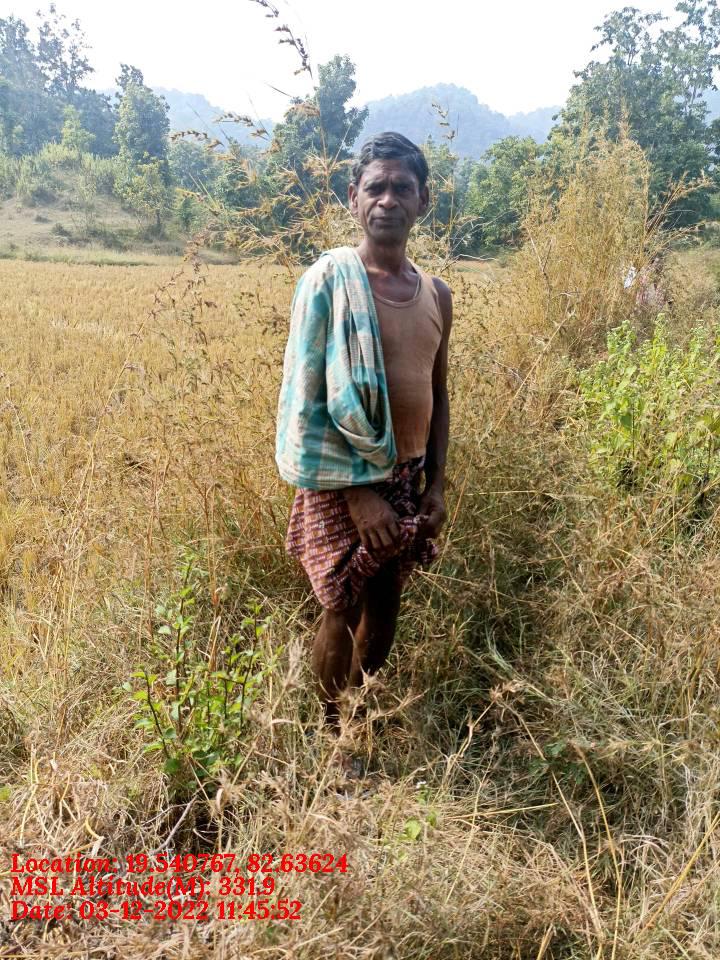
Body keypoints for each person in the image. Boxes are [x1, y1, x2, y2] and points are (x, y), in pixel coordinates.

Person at [276, 131, 453, 729]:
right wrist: (358, 495)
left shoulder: (436, 295)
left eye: (403, 188)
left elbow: (438, 393)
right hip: (341, 478)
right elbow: (305, 400)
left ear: (423, 200)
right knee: (342, 604)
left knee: (386, 599)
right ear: (353, 197)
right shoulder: (328, 282)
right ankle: (332, 732)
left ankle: (359, 718)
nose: (388, 200)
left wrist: (435, 485)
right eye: (375, 187)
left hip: (405, 475)